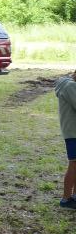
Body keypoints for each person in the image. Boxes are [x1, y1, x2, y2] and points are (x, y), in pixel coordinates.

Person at [54, 70, 76, 209]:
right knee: (74, 164)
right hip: (73, 133)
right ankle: (66, 199)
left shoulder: (69, 85)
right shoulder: (70, 87)